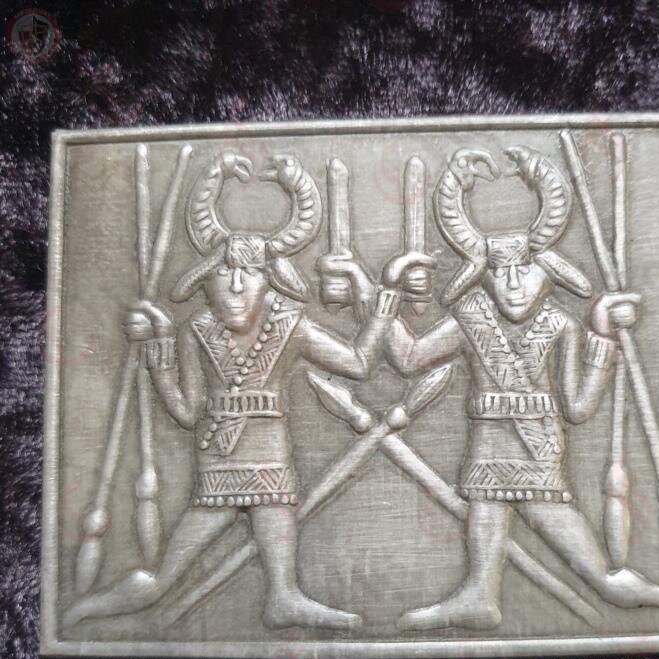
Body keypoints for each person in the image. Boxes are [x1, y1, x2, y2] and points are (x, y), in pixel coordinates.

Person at [323, 146, 659, 630]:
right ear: (481, 275)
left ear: (551, 271)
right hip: (486, 452)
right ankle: (479, 598)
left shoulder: (561, 324)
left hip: (539, 455)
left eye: (526, 268)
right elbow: (410, 358)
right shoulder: (470, 316)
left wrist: (602, 335)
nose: (514, 283)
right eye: (499, 271)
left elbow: (578, 408)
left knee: (602, 577)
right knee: (482, 572)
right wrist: (376, 293)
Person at [64, 151, 428, 630]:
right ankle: (83, 610)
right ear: (203, 280)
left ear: (271, 281)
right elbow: (186, 412)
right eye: (224, 272)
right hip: (217, 469)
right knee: (162, 577)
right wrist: (158, 345)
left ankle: (283, 599)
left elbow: (359, 363)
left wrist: (383, 301)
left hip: (272, 468)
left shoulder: (290, 325)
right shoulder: (197, 330)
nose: (236, 285)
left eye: (250, 272)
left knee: (282, 586)